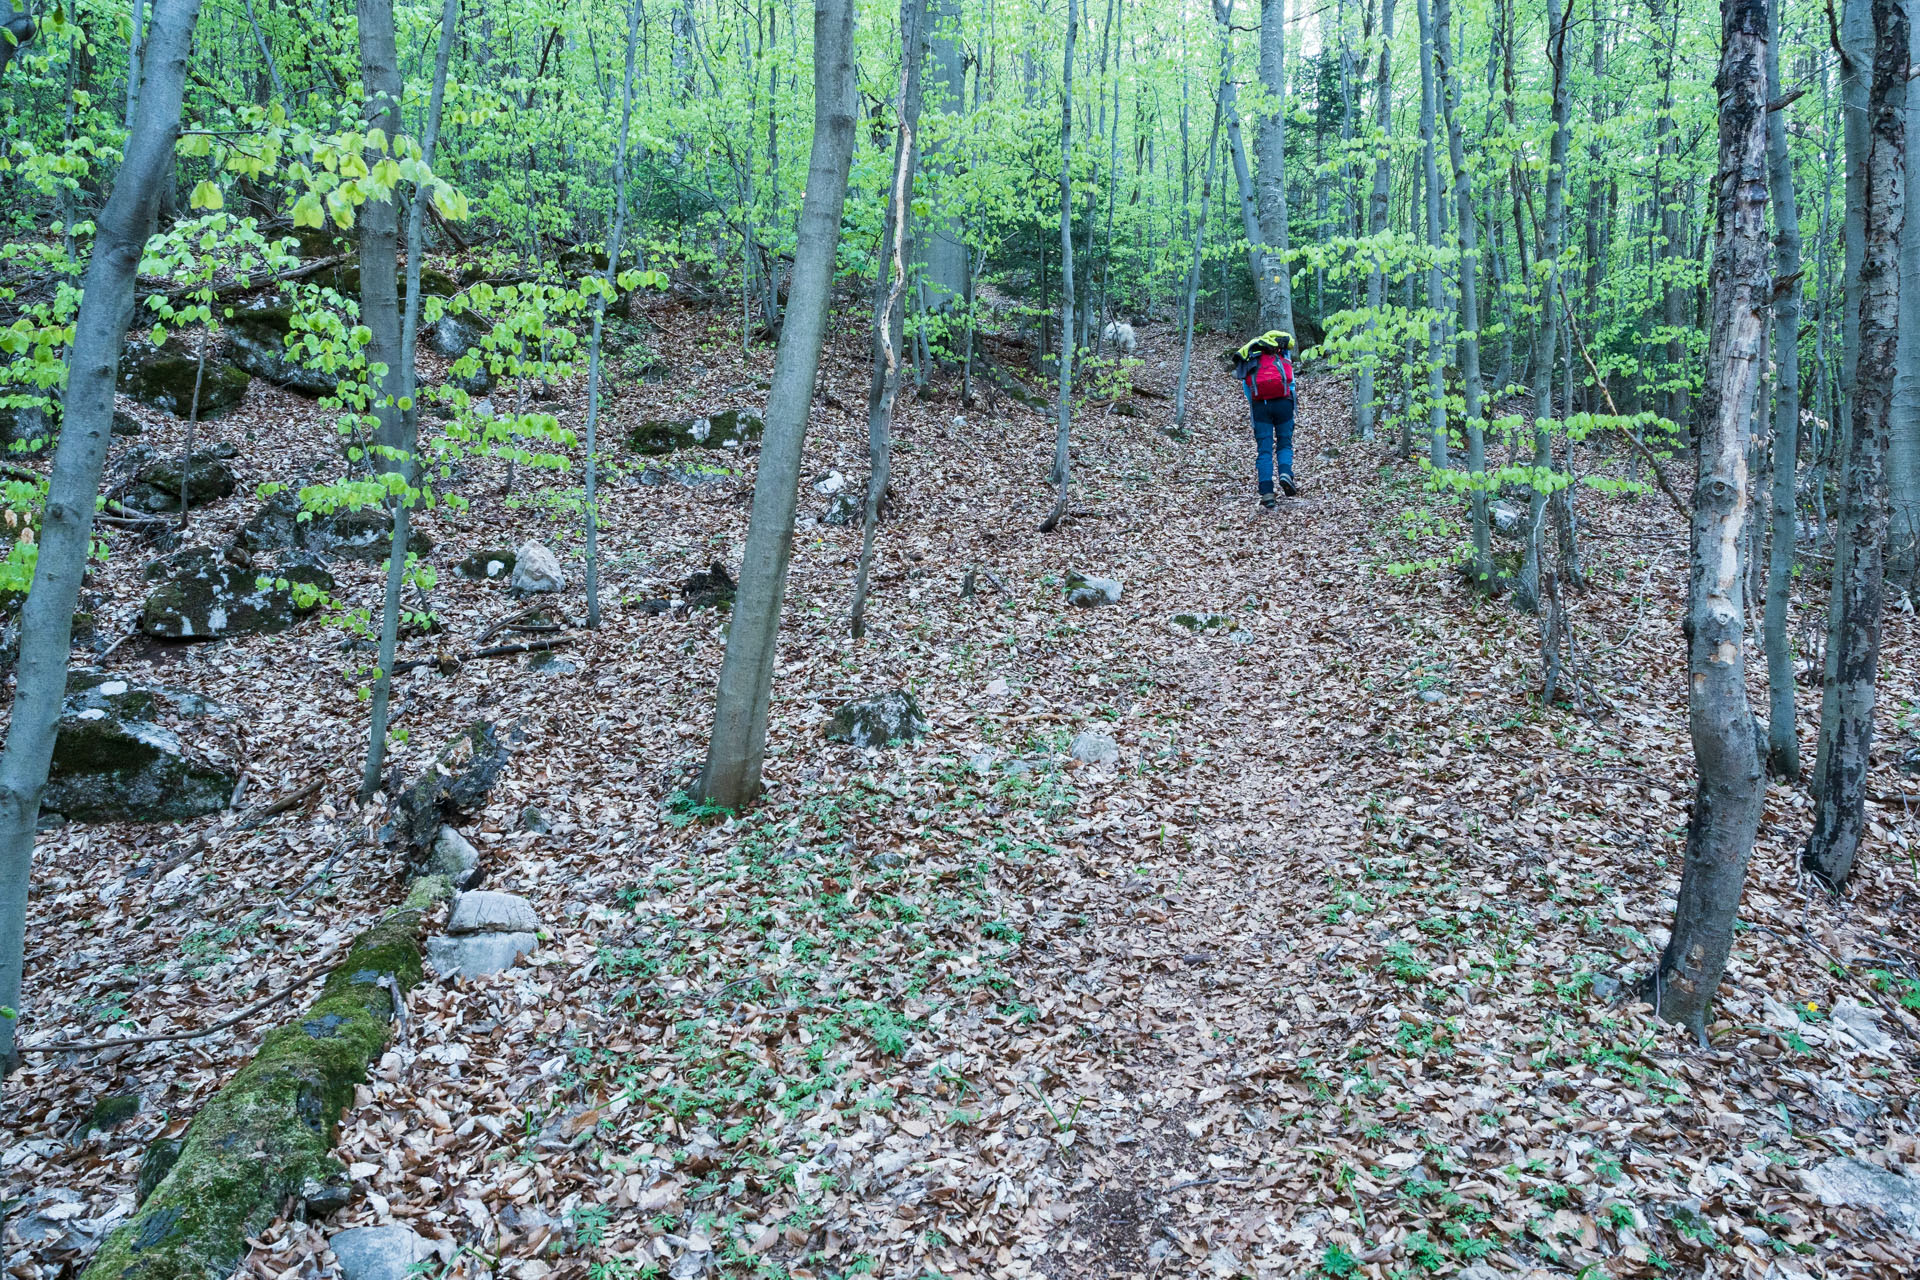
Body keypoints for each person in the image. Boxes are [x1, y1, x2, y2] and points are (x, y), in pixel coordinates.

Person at [1226, 330, 1297, 507]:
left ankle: (1267, 493)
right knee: (1284, 443)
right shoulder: (1282, 355)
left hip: (1261, 406)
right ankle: (1285, 473)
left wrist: (1257, 403)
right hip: (1283, 404)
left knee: (1264, 450)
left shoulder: (1252, 358)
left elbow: (1247, 388)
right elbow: (1291, 383)